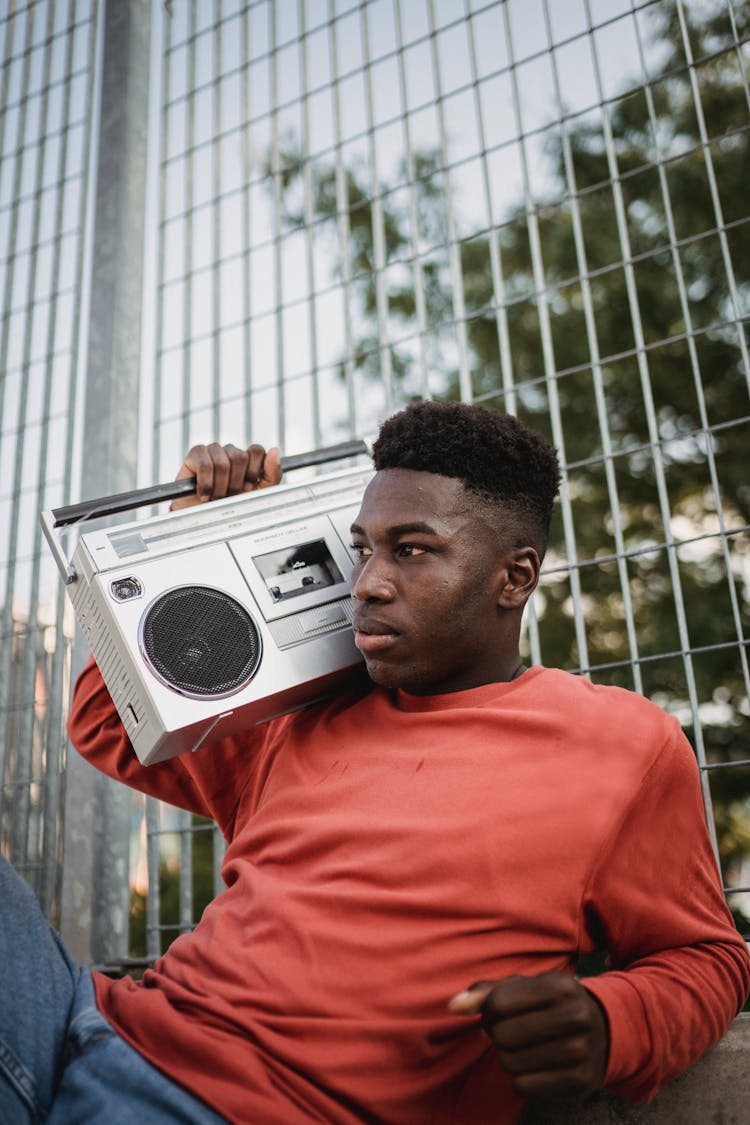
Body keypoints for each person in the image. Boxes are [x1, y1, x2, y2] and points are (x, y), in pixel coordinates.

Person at [2, 400, 748, 1125]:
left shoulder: (621, 745)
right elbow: (106, 719)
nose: (368, 582)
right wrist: (190, 537)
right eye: (364, 546)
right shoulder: (303, 712)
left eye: (412, 550)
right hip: (89, 1024)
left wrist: (610, 1021)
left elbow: (708, 956)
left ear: (514, 576)